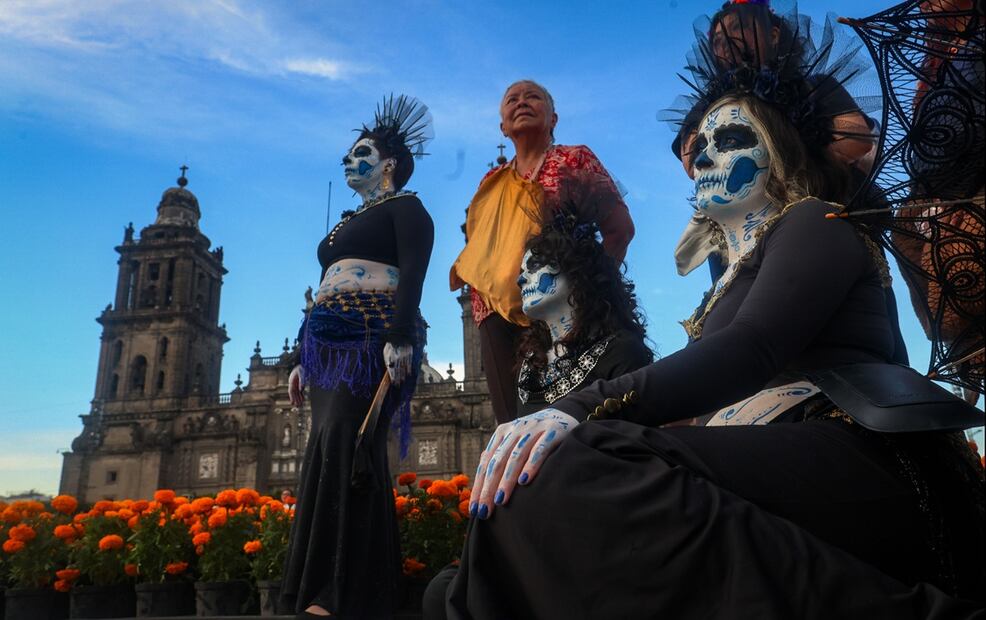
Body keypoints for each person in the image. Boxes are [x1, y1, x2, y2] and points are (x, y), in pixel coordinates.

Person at [444, 14, 984, 619]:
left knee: (567, 468)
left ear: (778, 153)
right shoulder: (729, 276)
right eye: (698, 145)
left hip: (863, 459)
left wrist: (574, 409)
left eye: (730, 141)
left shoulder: (816, 220)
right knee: (478, 564)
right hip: (770, 456)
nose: (702, 157)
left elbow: (751, 347)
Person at [423, 174, 652, 620]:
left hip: (593, 523)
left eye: (537, 266)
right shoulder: (532, 367)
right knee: (441, 591)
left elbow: (633, 452)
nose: (522, 277)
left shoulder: (623, 352)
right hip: (531, 523)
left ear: (579, 276)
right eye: (521, 268)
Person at [280, 95, 434, 618]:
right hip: (324, 346)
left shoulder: (407, 208)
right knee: (326, 446)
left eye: (361, 152)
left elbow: (412, 273)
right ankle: (314, 586)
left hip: (371, 338)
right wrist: (302, 358)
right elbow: (323, 287)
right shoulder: (345, 221)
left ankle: (345, 592)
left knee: (354, 441)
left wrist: (400, 336)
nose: (349, 161)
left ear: (388, 163)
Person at [450, 80, 635, 424]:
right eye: (512, 100)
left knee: (569, 410)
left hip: (562, 307)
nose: (521, 103)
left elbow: (619, 230)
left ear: (554, 118)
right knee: (512, 422)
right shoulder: (490, 182)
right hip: (492, 313)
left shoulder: (573, 160)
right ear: (503, 126)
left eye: (532, 97)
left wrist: (590, 294)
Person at [672, 0, 879, 282]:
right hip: (741, 242)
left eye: (739, 27)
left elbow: (856, 139)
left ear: (773, 34)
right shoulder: (706, 108)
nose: (725, 43)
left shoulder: (814, 85)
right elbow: (692, 161)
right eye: (717, 39)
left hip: (823, 225)